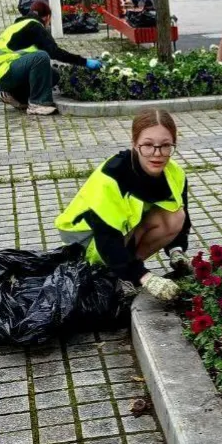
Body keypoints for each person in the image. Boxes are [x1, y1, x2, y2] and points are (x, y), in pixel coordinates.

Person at [55, 108, 191, 301]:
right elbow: (107, 239)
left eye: (165, 145)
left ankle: (124, 272)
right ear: (134, 144)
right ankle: (118, 274)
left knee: (176, 216)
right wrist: (144, 277)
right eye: (148, 145)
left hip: (122, 235)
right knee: (123, 231)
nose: (157, 153)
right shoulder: (112, 177)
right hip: (86, 244)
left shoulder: (175, 173)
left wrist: (177, 251)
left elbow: (183, 218)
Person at [0, 1, 103, 116]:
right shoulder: (35, 26)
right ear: (47, 17)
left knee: (53, 75)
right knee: (41, 57)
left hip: (1, 74)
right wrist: (85, 62)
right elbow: (55, 52)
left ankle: (15, 97)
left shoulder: (20, 25)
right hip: (3, 72)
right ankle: (37, 104)